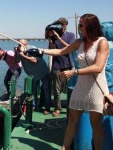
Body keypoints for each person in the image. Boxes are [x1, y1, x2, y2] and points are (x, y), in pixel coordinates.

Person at [41, 13, 113, 150]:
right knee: (72, 120)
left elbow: (98, 67)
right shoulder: (80, 42)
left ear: (90, 26)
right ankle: (65, 148)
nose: (79, 28)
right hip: (81, 86)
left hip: (96, 87)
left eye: (81, 25)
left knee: (95, 124)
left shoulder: (102, 42)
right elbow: (61, 51)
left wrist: (74, 72)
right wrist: (40, 50)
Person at [13, 39, 52, 114]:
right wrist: (16, 53)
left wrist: (23, 56)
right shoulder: (19, 51)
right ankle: (34, 107)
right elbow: (15, 62)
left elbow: (35, 60)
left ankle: (47, 108)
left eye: (21, 45)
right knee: (33, 92)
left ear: (26, 44)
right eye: (19, 45)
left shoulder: (32, 49)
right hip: (32, 75)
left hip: (43, 72)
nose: (20, 46)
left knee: (46, 90)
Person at [47, 17, 75, 117]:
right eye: (60, 25)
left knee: (70, 89)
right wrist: (50, 38)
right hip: (56, 66)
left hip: (68, 66)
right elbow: (51, 51)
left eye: (64, 25)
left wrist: (58, 38)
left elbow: (70, 48)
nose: (62, 27)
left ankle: (70, 108)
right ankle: (57, 108)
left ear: (66, 25)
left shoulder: (71, 35)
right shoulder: (54, 37)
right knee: (56, 90)